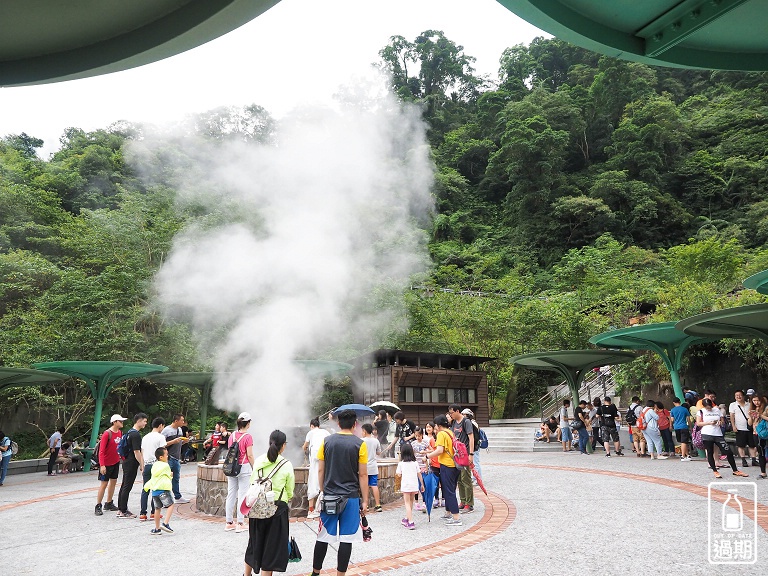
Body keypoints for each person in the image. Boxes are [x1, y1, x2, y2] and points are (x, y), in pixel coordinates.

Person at [309, 409, 369, 576]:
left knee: (323, 536)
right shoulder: (360, 444)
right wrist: (364, 500)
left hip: (330, 496)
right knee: (347, 539)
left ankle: (315, 573)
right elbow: (363, 474)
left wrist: (323, 489)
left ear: (338, 423)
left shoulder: (327, 442)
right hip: (350, 497)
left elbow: (320, 470)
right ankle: (340, 574)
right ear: (355, 424)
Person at [243, 429, 295, 576]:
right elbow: (290, 490)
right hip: (277, 510)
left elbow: (252, 483)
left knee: (254, 543)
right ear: (283, 446)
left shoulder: (259, 460)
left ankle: (246, 574)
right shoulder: (286, 464)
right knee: (271, 549)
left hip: (257, 508)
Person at [697, 397, 748, 479]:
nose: (709, 409)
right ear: (704, 406)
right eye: (707, 407)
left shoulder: (717, 410)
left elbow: (722, 421)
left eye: (710, 407)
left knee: (728, 452)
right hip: (707, 434)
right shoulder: (700, 412)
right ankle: (715, 471)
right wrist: (708, 423)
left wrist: (720, 422)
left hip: (718, 434)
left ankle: (735, 470)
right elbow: (699, 423)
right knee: (710, 452)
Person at [426, 415, 461, 526]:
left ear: (439, 425)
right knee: (448, 490)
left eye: (435, 424)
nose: (435, 426)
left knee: (449, 491)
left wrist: (427, 456)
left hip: (447, 465)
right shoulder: (450, 432)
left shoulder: (441, 434)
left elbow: (440, 450)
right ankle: (448, 513)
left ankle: (456, 518)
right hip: (455, 465)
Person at [226, 412, 255, 533]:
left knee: (231, 494)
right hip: (244, 468)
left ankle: (229, 522)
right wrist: (255, 467)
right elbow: (250, 455)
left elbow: (230, 451)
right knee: (242, 495)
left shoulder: (232, 435)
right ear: (248, 423)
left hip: (231, 468)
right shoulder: (248, 437)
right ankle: (240, 522)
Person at [117, 412, 148, 518]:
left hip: (126, 461)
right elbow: (137, 452)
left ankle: (120, 508)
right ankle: (123, 510)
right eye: (144, 421)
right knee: (127, 486)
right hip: (131, 462)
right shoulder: (135, 435)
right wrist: (142, 464)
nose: (145, 424)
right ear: (138, 421)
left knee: (124, 485)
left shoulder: (129, 432)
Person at [95, 414, 126, 516]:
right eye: (120, 421)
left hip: (115, 462)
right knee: (104, 484)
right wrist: (102, 465)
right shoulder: (107, 434)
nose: (122, 423)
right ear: (114, 422)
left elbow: (119, 447)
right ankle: (98, 505)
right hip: (106, 463)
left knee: (113, 482)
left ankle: (109, 502)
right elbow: (101, 451)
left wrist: (123, 458)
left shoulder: (120, 433)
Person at [448, 404, 475, 513]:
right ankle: (463, 501)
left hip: (465, 454)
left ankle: (470, 504)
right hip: (457, 455)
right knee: (459, 479)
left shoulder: (466, 422)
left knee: (466, 479)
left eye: (452, 413)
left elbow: (471, 437)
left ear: (457, 411)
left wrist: (471, 454)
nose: (451, 415)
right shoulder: (454, 423)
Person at [143, 446, 175, 534]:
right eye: (166, 455)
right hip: (163, 489)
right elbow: (168, 476)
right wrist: (171, 475)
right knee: (171, 505)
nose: (167, 456)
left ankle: (157, 528)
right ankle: (165, 523)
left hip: (155, 490)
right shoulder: (165, 465)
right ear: (161, 457)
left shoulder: (154, 465)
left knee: (157, 508)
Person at [140, 417, 167, 522]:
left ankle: (142, 513)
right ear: (160, 425)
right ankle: (153, 513)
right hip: (157, 466)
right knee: (156, 489)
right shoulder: (160, 437)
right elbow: (163, 453)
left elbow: (142, 453)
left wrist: (142, 466)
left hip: (147, 465)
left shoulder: (145, 437)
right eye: (163, 426)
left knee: (145, 489)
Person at [303, 417, 330, 519]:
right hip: (325, 456)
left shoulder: (311, 432)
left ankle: (311, 509)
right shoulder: (325, 432)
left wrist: (304, 452)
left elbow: (304, 446)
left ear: (311, 426)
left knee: (313, 482)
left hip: (315, 458)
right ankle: (324, 507)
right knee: (324, 480)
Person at [161, 414, 190, 504]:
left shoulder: (180, 430)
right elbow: (161, 444)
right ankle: (164, 498)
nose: (183, 422)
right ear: (176, 421)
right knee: (166, 478)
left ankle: (177, 496)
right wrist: (173, 441)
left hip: (177, 457)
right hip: (168, 457)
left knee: (176, 478)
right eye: (181, 420)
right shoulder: (166, 430)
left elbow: (178, 444)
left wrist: (184, 442)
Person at [396, 443, 424, 530]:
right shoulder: (415, 463)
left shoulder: (401, 464)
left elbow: (398, 475)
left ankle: (411, 522)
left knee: (407, 503)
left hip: (406, 485)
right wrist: (422, 484)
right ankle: (407, 518)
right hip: (414, 485)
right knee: (411, 502)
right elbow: (419, 474)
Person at [730, 389, 759, 468]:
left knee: (752, 445)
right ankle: (743, 460)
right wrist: (733, 426)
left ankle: (753, 460)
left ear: (743, 396)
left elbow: (753, 414)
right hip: (739, 428)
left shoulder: (749, 404)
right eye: (736, 395)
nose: (738, 397)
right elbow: (732, 416)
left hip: (749, 427)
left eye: (740, 395)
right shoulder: (733, 405)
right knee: (741, 445)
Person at [361, 423, 382, 512]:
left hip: (364, 467)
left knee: (365, 486)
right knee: (374, 485)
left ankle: (366, 505)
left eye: (362, 431)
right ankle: (378, 505)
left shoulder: (361, 441)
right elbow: (379, 452)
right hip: (373, 466)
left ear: (365, 431)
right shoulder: (375, 441)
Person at [749, 394, 768, 479]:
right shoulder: (752, 409)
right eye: (754, 400)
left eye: (758, 400)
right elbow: (750, 423)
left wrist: (760, 415)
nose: (756, 402)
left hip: (765, 432)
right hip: (756, 433)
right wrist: (751, 416)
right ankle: (763, 472)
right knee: (761, 453)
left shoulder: (766, 408)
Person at [425, 422, 442, 508]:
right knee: (435, 482)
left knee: (443, 482)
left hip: (442, 463)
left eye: (435, 429)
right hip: (434, 464)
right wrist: (430, 459)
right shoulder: (432, 440)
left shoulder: (442, 438)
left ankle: (444, 498)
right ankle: (436, 498)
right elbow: (430, 451)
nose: (435, 431)